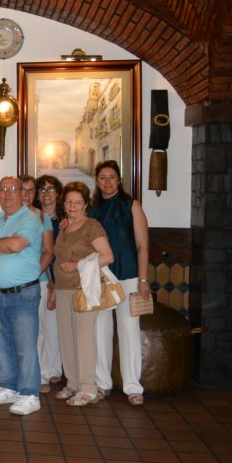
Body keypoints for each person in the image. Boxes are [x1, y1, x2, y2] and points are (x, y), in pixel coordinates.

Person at [0, 176, 44, 415]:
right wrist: (3, 246)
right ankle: (8, 387)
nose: (8, 194)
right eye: (2, 189)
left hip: (23, 293)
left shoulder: (31, 219)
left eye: (13, 189)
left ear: (23, 193)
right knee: (2, 347)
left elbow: (16, 246)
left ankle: (30, 393)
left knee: (25, 346)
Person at [88, 159, 150, 406]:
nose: (107, 182)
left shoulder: (131, 205)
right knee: (100, 331)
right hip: (102, 276)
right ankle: (102, 383)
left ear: (119, 179)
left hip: (129, 275)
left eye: (111, 177)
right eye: (102, 177)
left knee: (129, 330)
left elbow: (143, 246)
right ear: (97, 181)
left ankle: (133, 387)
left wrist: (143, 279)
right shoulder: (92, 209)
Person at [52, 182, 114, 406]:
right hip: (62, 289)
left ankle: (88, 388)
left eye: (78, 202)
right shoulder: (64, 226)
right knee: (67, 339)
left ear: (86, 205)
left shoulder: (92, 226)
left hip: (84, 290)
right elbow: (58, 258)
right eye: (69, 201)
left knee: (84, 339)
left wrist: (78, 264)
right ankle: (73, 383)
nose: (72, 206)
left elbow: (107, 256)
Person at [20, 174, 59, 393]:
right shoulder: (6, 217)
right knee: (21, 331)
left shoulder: (42, 217)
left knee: (40, 330)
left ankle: (42, 374)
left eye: (30, 191)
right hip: (13, 283)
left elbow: (49, 251)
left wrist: (35, 274)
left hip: (39, 280)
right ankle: (23, 374)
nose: (25, 195)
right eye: (22, 190)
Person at [35, 174, 65, 392]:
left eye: (51, 189)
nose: (46, 194)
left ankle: (55, 370)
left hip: (63, 277)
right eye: (42, 190)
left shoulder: (66, 218)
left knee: (55, 327)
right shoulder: (34, 217)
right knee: (41, 327)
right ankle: (43, 370)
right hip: (42, 278)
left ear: (58, 193)